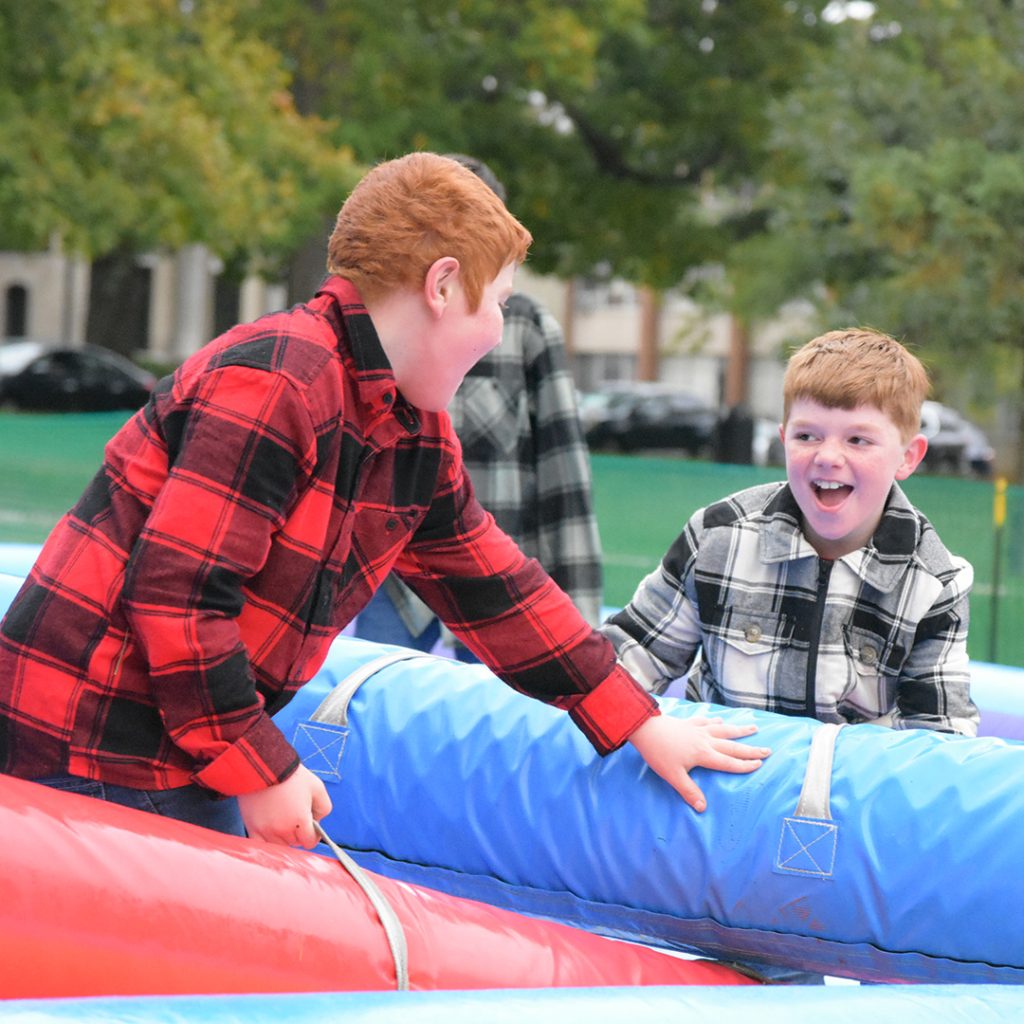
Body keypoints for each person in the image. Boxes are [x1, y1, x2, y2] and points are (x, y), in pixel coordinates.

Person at [0, 153, 769, 850]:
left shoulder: (413, 431)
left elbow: (493, 584)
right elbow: (177, 601)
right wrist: (262, 770)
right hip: (89, 738)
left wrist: (636, 717)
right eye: (497, 301)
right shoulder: (279, 382)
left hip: (178, 740)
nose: (501, 332)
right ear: (441, 286)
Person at [603, 328, 978, 737]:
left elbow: (940, 739)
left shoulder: (933, 582)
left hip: (841, 795)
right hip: (718, 787)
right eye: (807, 436)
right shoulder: (718, 538)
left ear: (908, 457)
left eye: (858, 439)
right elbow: (629, 661)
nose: (828, 456)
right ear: (783, 441)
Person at [356, 154, 603, 659]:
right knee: (385, 703)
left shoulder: (526, 328)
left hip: (492, 569)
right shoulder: (380, 324)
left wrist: (582, 625)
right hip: (389, 571)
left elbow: (564, 477)